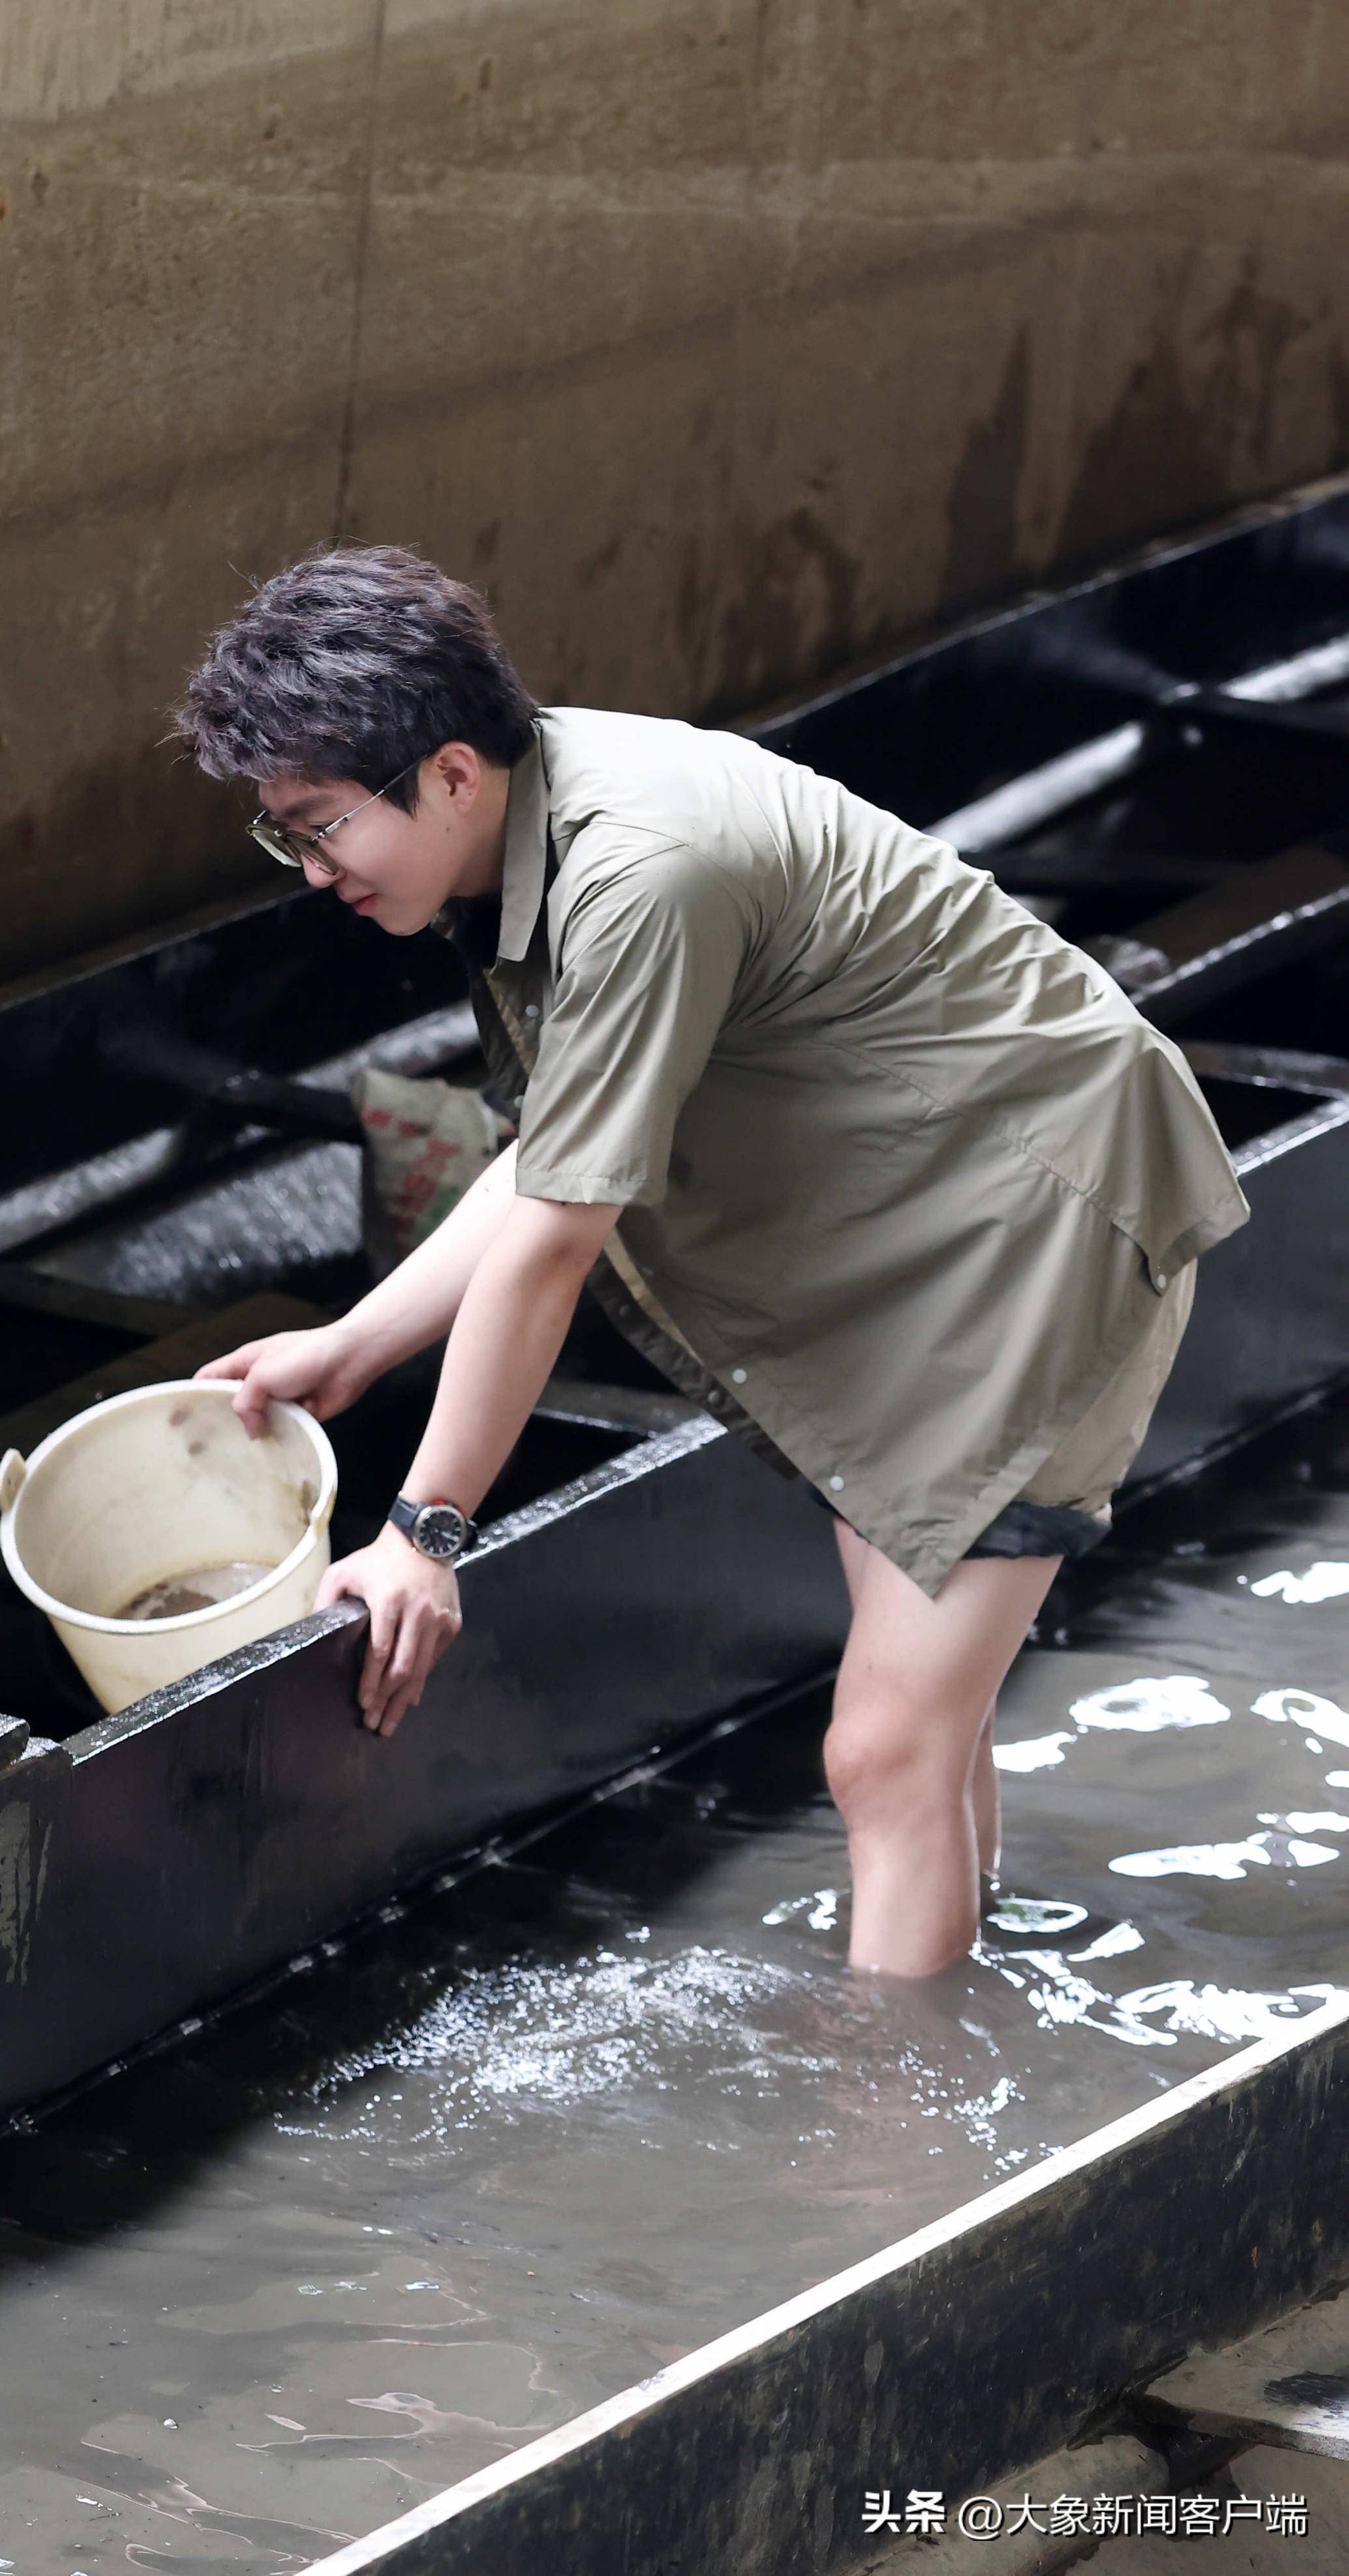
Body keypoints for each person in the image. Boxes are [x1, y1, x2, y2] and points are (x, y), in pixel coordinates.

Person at [173, 546, 1249, 1977]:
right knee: (921, 1734)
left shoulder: (637, 873)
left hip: (1033, 1231)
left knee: (880, 1746)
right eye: (283, 837)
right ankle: (964, 2018)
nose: (310, 874)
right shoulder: (532, 825)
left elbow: (553, 1244)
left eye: (319, 829)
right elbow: (559, 1148)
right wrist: (355, 1346)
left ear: (442, 774)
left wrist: (425, 1532)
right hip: (922, 1235)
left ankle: (893, 2150)